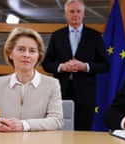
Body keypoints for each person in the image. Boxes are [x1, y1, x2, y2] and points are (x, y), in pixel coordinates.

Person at [42, 0, 109, 130]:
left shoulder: (94, 36)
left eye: (78, 11)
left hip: (85, 93)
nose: (75, 14)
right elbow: (47, 64)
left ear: (83, 14)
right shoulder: (57, 35)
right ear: (66, 14)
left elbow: (105, 65)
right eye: (72, 11)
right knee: (60, 130)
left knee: (83, 131)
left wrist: (85, 66)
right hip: (61, 91)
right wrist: (62, 67)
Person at [0, 27, 63, 132]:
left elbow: (57, 120)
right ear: (10, 53)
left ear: (38, 56)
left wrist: (24, 125)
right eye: (21, 49)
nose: (26, 55)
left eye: (32, 51)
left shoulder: (52, 84)